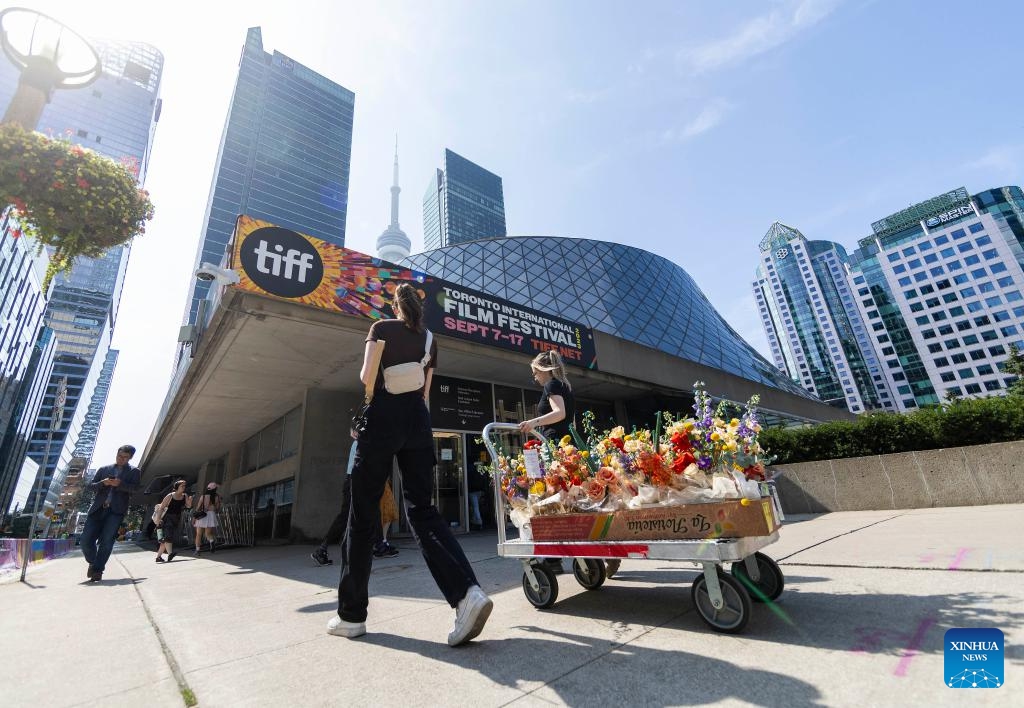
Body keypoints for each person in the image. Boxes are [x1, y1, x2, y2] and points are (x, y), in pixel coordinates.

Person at [330, 282, 492, 646]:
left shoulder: (381, 328)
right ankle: (467, 594)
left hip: (383, 416)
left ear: (394, 304)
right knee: (423, 510)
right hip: (419, 421)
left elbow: (366, 378)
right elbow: (425, 393)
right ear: (420, 307)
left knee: (362, 513)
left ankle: (351, 616)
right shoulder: (431, 340)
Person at [519, 350, 576, 574]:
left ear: (545, 370)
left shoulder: (552, 385)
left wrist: (533, 422)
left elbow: (559, 413)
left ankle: (552, 559)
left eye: (535, 372)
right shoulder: (565, 386)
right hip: (563, 445)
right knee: (564, 499)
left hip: (554, 448)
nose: (535, 377)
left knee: (548, 500)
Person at [81, 445, 141, 582]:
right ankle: (93, 562)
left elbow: (135, 489)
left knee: (107, 542)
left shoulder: (134, 471)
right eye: (120, 456)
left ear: (130, 457)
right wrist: (103, 483)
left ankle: (97, 570)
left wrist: (120, 484)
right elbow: (91, 486)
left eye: (125, 457)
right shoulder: (104, 469)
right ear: (117, 454)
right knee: (85, 540)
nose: (122, 459)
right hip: (97, 509)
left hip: (116, 511)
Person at [311, 431, 358, 567]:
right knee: (345, 516)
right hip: (353, 481)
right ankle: (321, 549)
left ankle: (375, 546)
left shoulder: (362, 440)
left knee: (359, 516)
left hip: (354, 481)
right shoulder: (360, 442)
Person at [155, 480, 192, 563]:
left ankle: (158, 557)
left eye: (184, 486)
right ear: (177, 487)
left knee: (165, 539)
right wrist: (158, 519)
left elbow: (188, 506)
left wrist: (189, 502)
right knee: (168, 536)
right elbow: (161, 508)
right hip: (167, 518)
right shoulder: (170, 496)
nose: (184, 487)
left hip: (177, 518)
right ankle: (170, 554)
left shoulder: (184, 496)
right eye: (182, 486)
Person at [193, 482, 222, 554]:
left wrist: (194, 517)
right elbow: (218, 508)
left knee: (199, 534)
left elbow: (198, 507)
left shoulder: (203, 496)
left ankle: (197, 550)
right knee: (208, 533)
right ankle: (212, 542)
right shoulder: (217, 497)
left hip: (203, 515)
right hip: (211, 515)